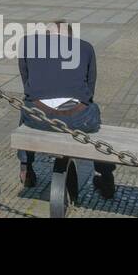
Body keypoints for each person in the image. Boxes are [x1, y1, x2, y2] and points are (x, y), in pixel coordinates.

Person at [16, 22, 116, 199]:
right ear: (70, 36)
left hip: (38, 117)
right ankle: (106, 176)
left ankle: (26, 166)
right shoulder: (85, 48)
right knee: (96, 117)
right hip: (78, 118)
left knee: (26, 106)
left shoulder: (27, 45)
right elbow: (90, 89)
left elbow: (27, 84)